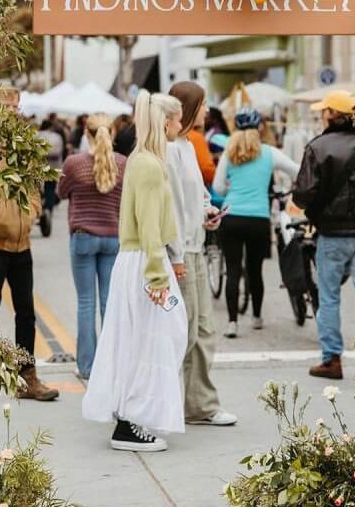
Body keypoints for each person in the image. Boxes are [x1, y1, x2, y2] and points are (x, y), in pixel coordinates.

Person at [82, 89, 188, 452]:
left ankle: (133, 417)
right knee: (148, 338)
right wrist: (159, 275)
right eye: (177, 118)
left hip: (145, 259)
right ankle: (130, 421)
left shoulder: (146, 160)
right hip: (144, 260)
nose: (180, 124)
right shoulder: (147, 164)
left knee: (150, 336)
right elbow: (149, 225)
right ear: (166, 121)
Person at [292, 90, 355, 380]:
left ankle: (332, 359)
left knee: (329, 296)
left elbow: (302, 193)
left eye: (325, 111)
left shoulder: (319, 146)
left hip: (332, 233)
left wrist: (311, 208)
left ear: (331, 115)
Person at [0, 86, 59, 401]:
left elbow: (35, 183)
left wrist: (32, 209)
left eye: (15, 107)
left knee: (26, 312)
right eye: (6, 107)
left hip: (22, 244)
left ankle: (27, 377)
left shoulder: (23, 145)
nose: (13, 112)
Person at [167, 81, 237, 427]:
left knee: (203, 331)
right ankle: (174, 405)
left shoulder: (186, 146)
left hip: (192, 247)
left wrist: (206, 213)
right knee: (187, 333)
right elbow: (172, 206)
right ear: (187, 108)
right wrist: (176, 252)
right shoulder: (170, 150)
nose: (208, 110)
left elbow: (193, 199)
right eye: (204, 104)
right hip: (181, 253)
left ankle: (200, 405)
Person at [213, 107, 300, 338]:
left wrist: (234, 187)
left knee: (232, 271)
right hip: (258, 219)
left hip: (231, 217)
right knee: (255, 271)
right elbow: (297, 170)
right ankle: (257, 317)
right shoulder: (270, 152)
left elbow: (218, 187)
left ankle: (232, 323)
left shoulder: (228, 153)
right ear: (260, 128)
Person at [59, 113, 126, 380]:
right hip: (113, 236)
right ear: (112, 133)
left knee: (86, 303)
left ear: (86, 133)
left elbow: (61, 192)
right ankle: (112, 364)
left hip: (83, 235)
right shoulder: (123, 163)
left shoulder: (74, 163)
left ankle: (87, 367)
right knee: (109, 302)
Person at [36, 119, 64, 232]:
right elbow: (61, 151)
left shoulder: (36, 135)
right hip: (54, 166)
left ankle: (38, 208)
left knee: (36, 189)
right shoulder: (57, 137)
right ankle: (49, 210)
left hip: (38, 166)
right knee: (50, 189)